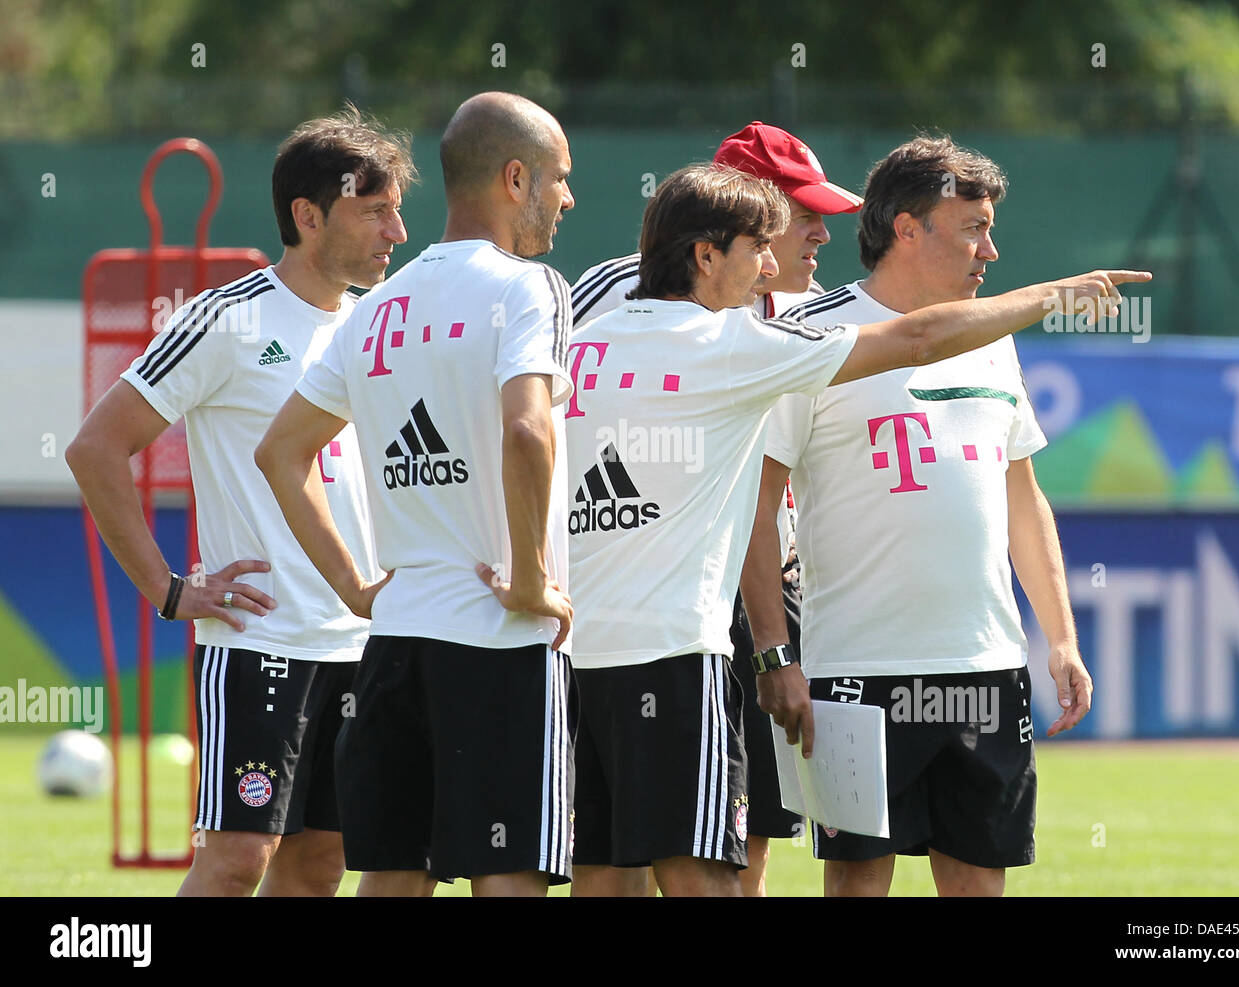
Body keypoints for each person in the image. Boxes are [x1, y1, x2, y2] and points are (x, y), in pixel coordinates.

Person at [566, 161, 1146, 897]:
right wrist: (1053, 295)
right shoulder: (747, 345)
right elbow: (918, 342)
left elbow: (522, 438)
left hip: (583, 655)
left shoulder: (583, 342)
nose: (775, 269)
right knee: (709, 873)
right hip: (749, 663)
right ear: (707, 255)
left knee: (604, 870)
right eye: (759, 246)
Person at [66, 105, 413, 896]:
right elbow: (95, 448)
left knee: (321, 861)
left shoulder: (376, 327)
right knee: (233, 863)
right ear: (307, 215)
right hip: (260, 641)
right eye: (375, 211)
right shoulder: (226, 319)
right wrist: (168, 588)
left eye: (397, 211)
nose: (395, 231)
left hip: (361, 642)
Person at [739, 134, 1097, 898]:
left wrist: (1060, 636)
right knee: (858, 885)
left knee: (977, 884)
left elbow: (1022, 499)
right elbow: (758, 509)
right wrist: (776, 653)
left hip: (983, 669)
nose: (991, 251)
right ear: (907, 227)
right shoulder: (813, 336)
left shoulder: (991, 337)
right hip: (855, 673)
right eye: (973, 227)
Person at [255, 91, 576, 897]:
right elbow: (529, 432)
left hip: (394, 647)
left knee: (393, 877)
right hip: (498, 642)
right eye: (559, 179)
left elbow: (279, 452)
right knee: (508, 875)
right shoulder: (527, 287)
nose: (568, 198)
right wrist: (533, 579)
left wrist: (358, 590)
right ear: (515, 178)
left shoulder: (374, 312)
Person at [570, 121, 863, 896]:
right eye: (803, 211)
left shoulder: (805, 308)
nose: (819, 232)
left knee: (745, 833)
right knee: (638, 850)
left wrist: (778, 637)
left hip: (757, 581)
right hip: (653, 592)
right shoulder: (616, 293)